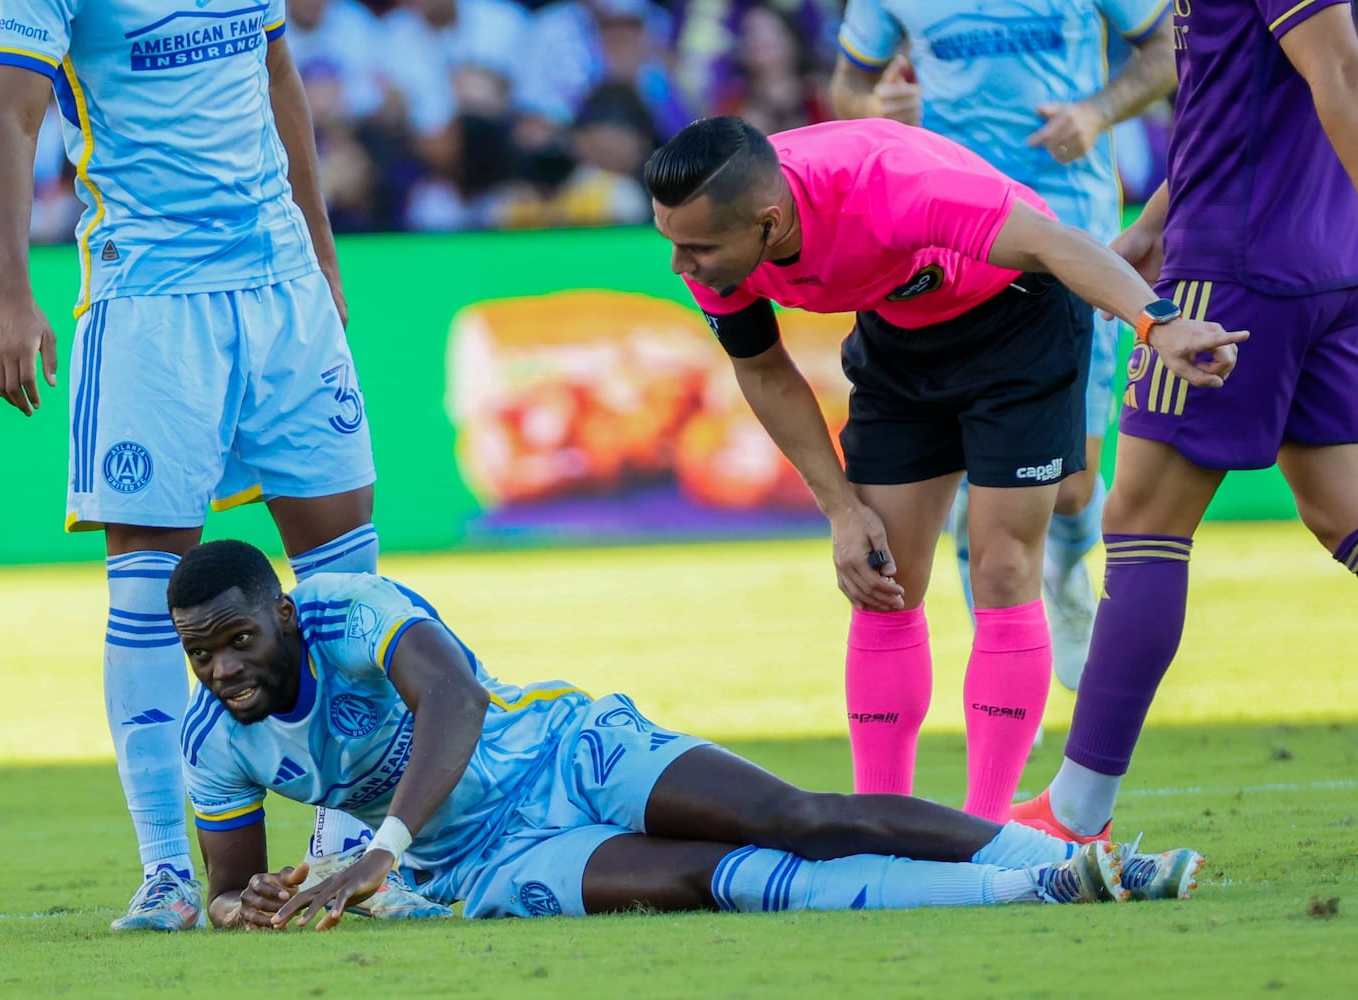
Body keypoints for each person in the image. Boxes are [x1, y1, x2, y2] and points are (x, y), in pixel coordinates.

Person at [0, 0, 446, 930]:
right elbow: (6, 115)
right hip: (151, 297)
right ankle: (166, 874)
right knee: (148, 591)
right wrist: (10, 294)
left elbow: (278, 81)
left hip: (284, 291)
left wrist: (320, 254)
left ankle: (340, 848)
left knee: (346, 571)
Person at [643, 116, 1245, 821]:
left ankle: (985, 832)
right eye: (673, 242)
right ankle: (880, 827)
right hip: (900, 337)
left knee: (1001, 569)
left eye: (697, 249)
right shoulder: (723, 242)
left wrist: (1160, 325)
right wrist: (841, 509)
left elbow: (1056, 244)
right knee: (881, 577)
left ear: (769, 224)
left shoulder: (891, 189)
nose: (682, 267)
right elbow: (767, 374)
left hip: (1018, 322)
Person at [167, 539, 1204, 927]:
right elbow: (227, 886)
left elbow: (457, 700)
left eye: (239, 639)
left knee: (797, 815)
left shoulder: (346, 605)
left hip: (568, 748)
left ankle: (1072, 851)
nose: (223, 669)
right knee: (726, 877)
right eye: (199, 652)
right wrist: (246, 903)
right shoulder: (214, 735)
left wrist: (372, 855)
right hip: (489, 858)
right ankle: (1039, 891)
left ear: (284, 614)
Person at [1014, 0, 1358, 842]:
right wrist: (1157, 224)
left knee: (1141, 523)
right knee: (1342, 510)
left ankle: (1077, 810)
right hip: (1322, 261)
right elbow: (1238, 100)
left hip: (1237, 271)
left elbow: (1340, 71)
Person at [829, 0, 1177, 694]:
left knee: (1073, 488)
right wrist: (880, 108)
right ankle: (1002, 643)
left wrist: (1097, 112)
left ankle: (1067, 569)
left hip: (1069, 240)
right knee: (969, 473)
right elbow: (846, 89)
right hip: (943, 239)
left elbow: (1168, 49)